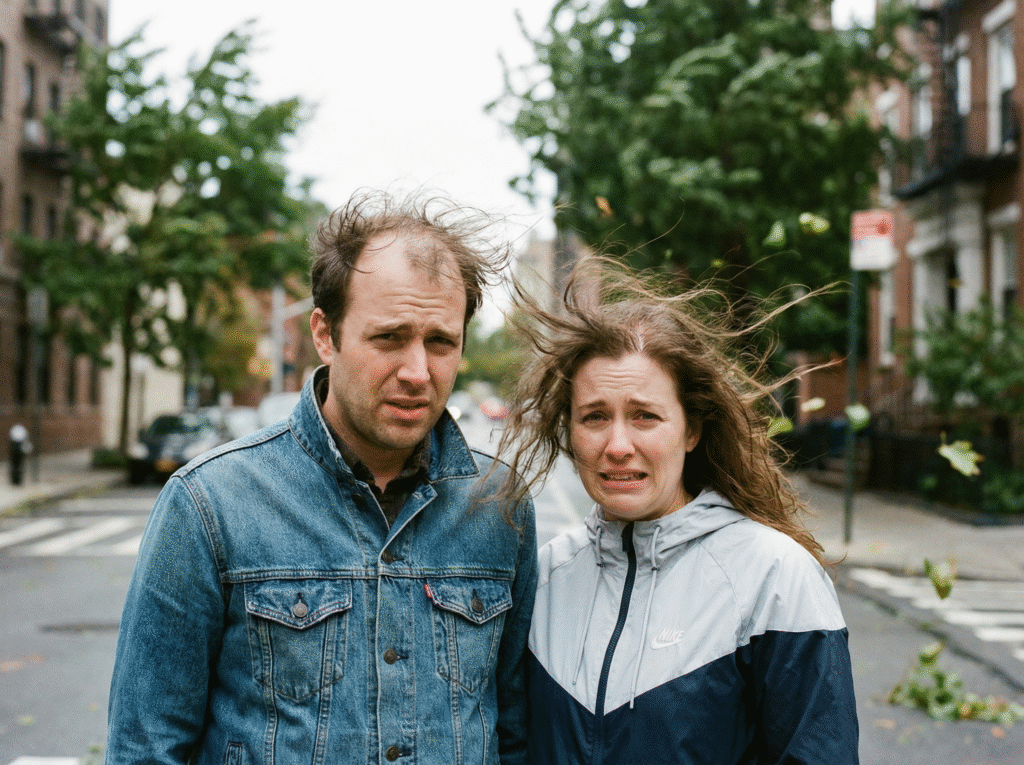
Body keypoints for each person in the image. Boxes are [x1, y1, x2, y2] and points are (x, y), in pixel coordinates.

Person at [106, 190, 538, 765]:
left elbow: (517, 735)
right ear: (324, 335)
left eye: (440, 342)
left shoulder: (499, 504)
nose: (417, 371)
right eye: (389, 338)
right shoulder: (209, 503)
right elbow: (146, 747)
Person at [496, 257, 858, 764]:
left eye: (645, 416)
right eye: (594, 417)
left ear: (692, 430)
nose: (617, 446)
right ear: (570, 431)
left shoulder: (776, 576)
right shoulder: (546, 576)